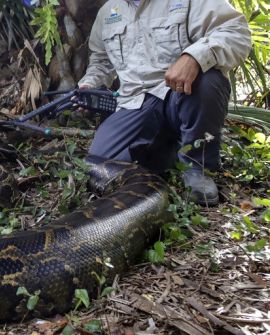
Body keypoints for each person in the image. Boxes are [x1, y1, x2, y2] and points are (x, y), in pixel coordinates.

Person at [79, 0, 251, 205]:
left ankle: (198, 167)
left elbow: (236, 31)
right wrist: (89, 85)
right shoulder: (108, 11)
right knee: (99, 164)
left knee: (208, 82)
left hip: (180, 93)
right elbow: (101, 60)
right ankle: (170, 152)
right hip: (135, 102)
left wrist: (194, 57)